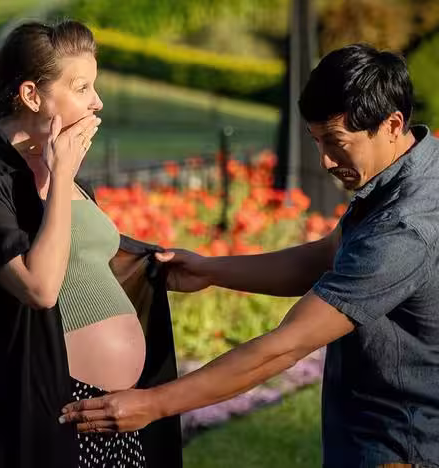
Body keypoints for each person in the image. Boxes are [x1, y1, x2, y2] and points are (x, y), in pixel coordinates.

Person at [61, 44, 439, 468]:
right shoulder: (409, 170)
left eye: (336, 143)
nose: (325, 161)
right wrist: (210, 270)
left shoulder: (405, 227)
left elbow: (287, 347)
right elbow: (324, 256)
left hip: (401, 449)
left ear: (392, 124)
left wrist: (154, 404)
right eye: (316, 141)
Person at [0, 20, 183, 468]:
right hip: (57, 412)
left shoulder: (64, 169)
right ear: (32, 95)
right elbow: (40, 287)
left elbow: (90, 258)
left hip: (121, 412)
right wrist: (62, 173)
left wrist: (164, 264)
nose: (97, 101)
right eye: (82, 87)